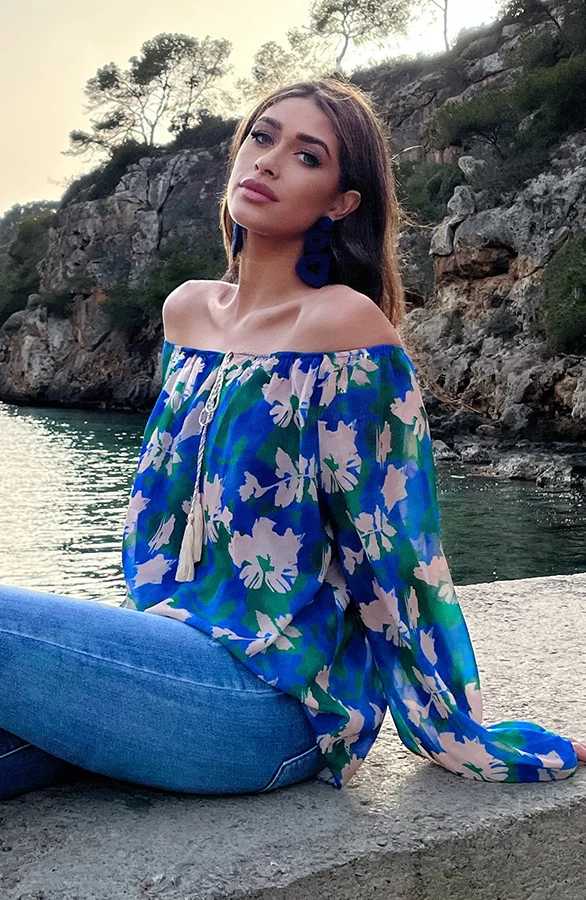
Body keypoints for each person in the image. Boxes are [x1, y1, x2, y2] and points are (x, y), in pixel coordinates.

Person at [1, 77, 585, 802]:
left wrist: (455, 730)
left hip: (273, 702)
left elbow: (397, 552)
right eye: (262, 137)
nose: (269, 161)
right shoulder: (187, 312)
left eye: (307, 156)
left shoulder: (342, 327)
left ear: (340, 204)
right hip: (167, 663)